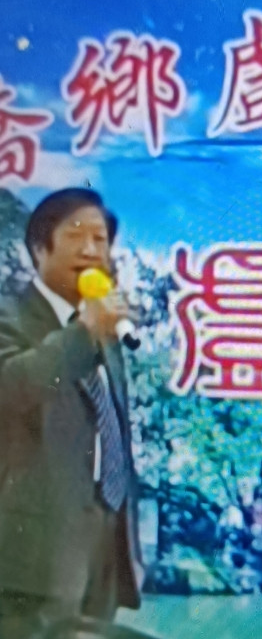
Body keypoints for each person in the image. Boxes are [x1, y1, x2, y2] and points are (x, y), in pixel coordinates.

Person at [0, 188, 143, 637]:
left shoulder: (102, 329)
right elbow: (12, 388)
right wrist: (83, 333)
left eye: (100, 239)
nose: (90, 250)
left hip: (100, 551)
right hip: (27, 563)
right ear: (39, 248)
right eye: (76, 234)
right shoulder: (9, 314)